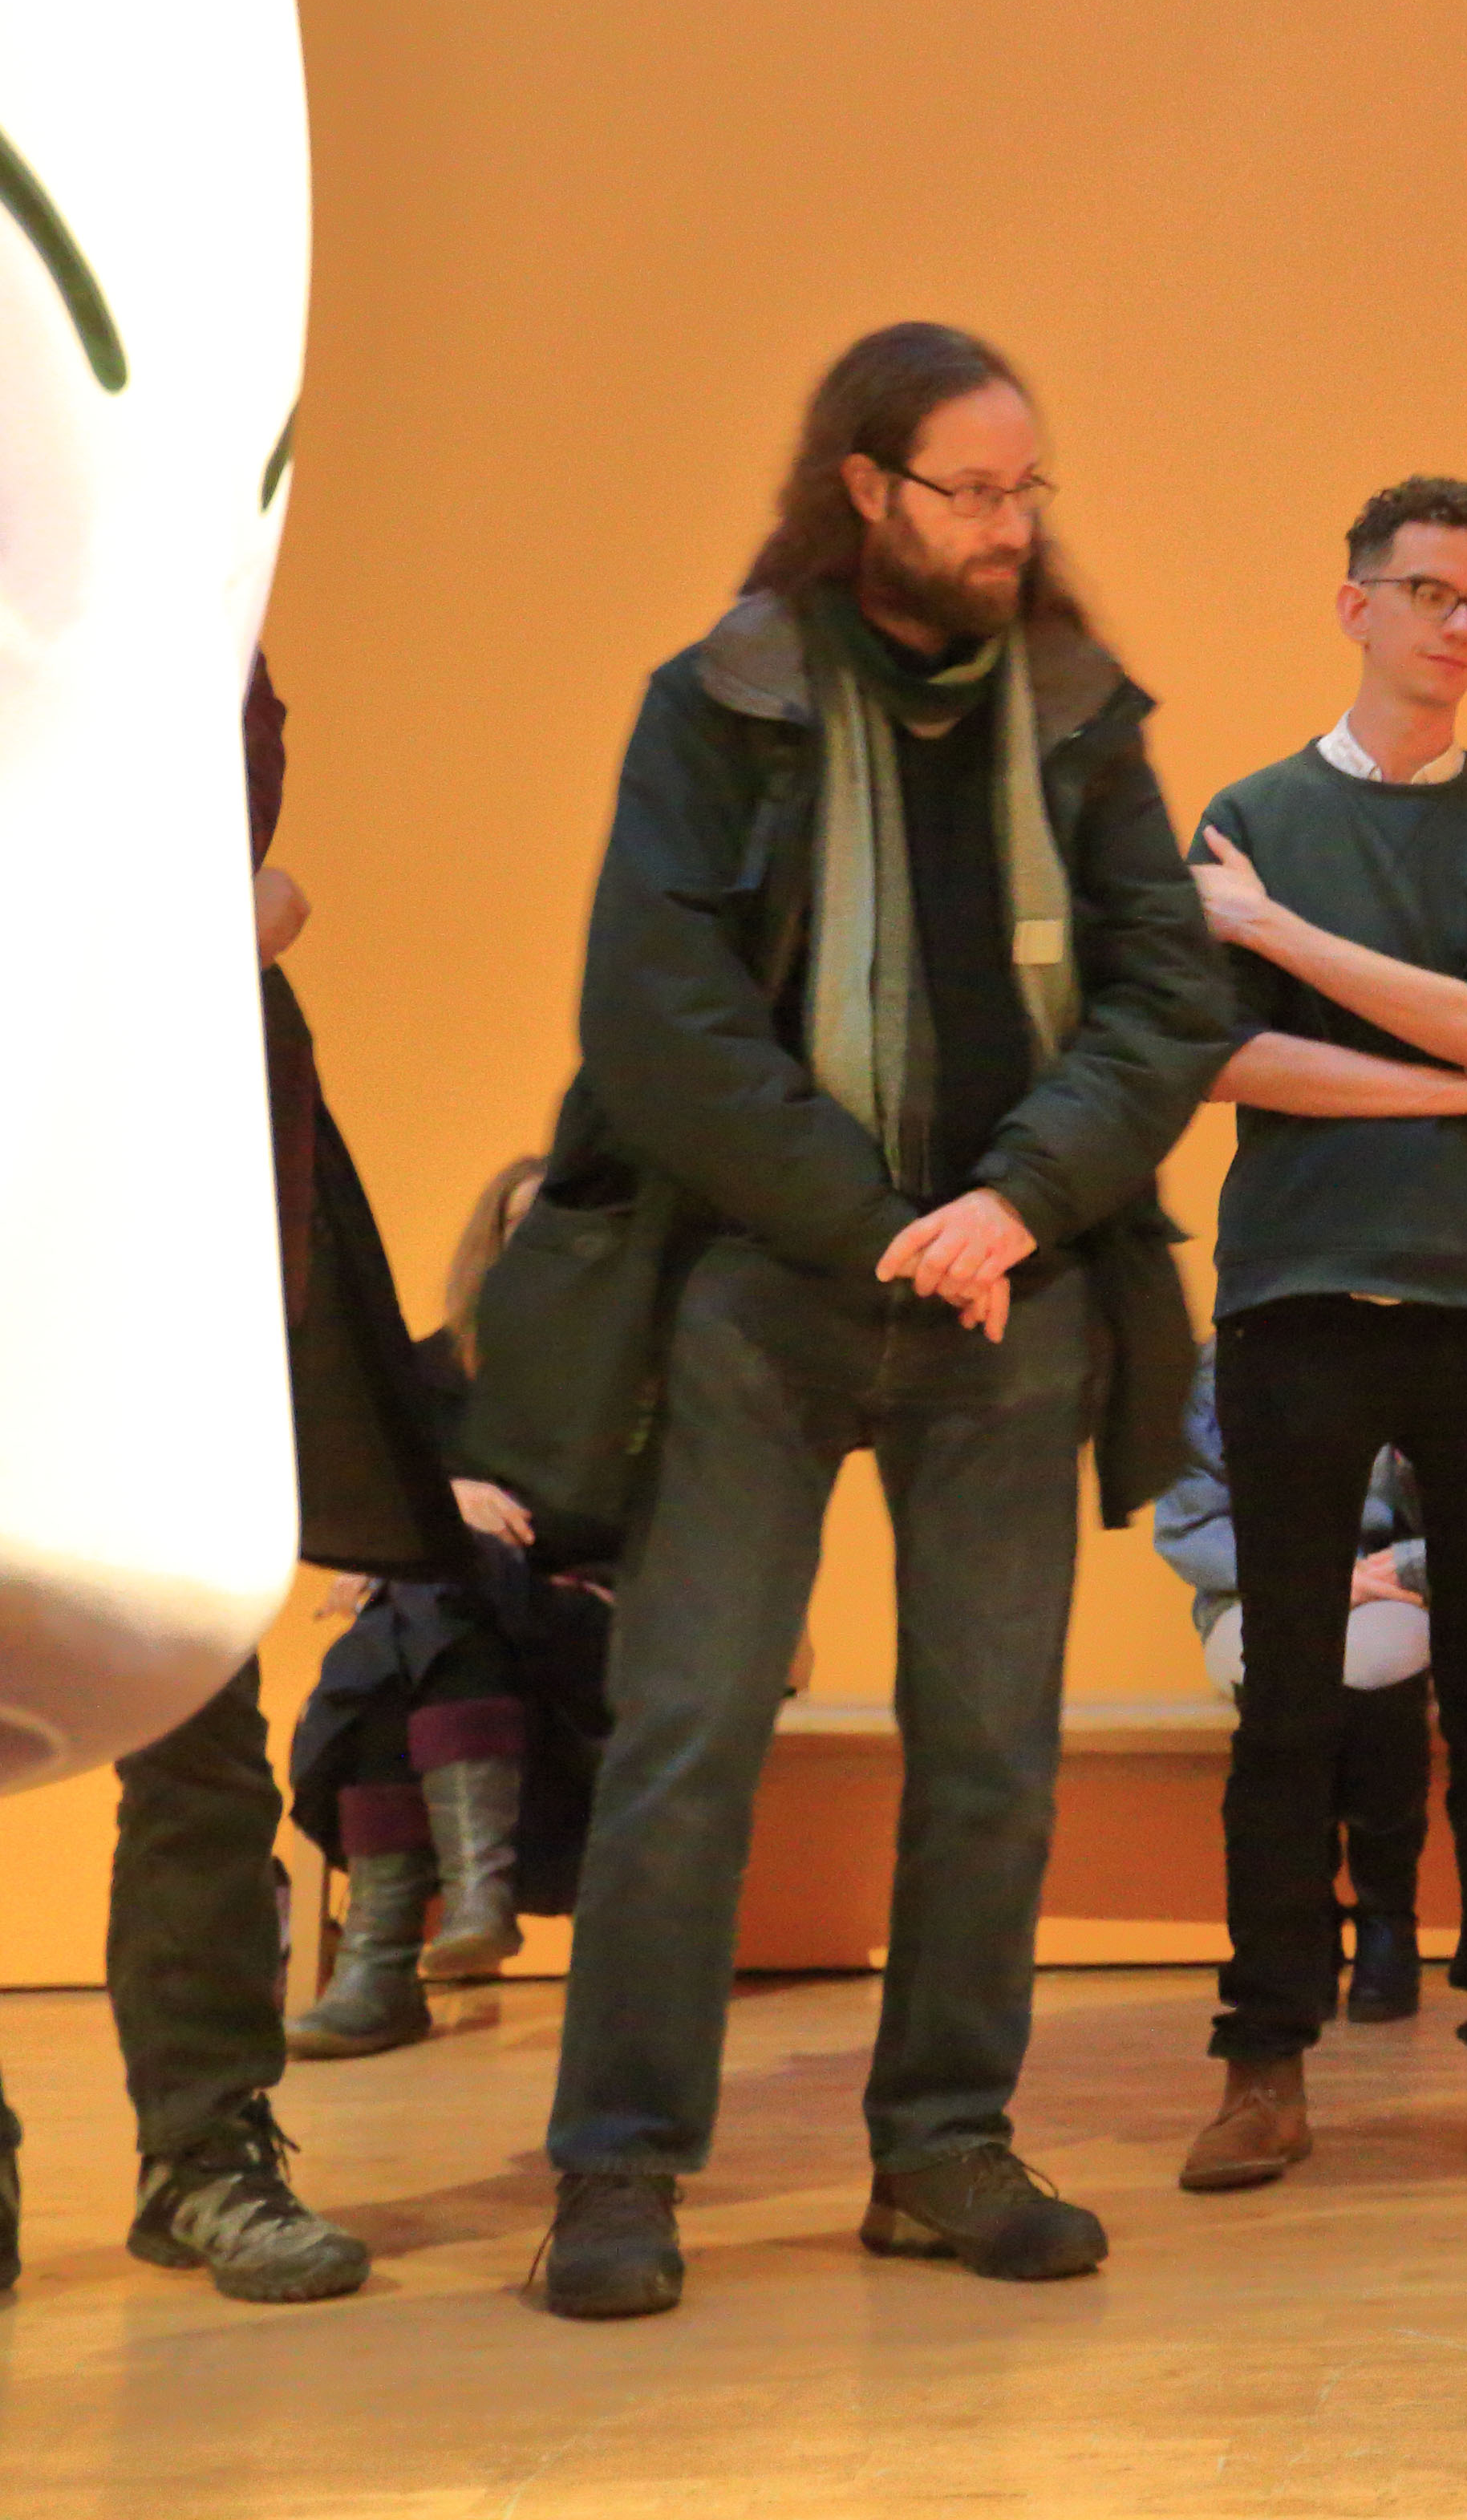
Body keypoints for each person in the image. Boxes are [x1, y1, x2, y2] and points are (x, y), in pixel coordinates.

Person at [511, 324, 1234, 2324]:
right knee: (687, 1737)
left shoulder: (1078, 712)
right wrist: (880, 1222)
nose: (1008, 526)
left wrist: (1012, 1204)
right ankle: (617, 2165)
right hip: (761, 1289)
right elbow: (656, 1021)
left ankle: (941, 2150)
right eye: (970, 491)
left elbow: (1171, 997)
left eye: (1026, 490)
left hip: (1017, 1293)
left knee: (991, 1750)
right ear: (867, 488)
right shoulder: (720, 703)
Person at [0, 658, 468, 2307]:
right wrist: (199, 930)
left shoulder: (159, 584)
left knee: (193, 1725)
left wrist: (206, 925)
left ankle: (204, 2154)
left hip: (162, 1220)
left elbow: (242, 820)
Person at [1174, 473, 1467, 2195]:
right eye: (1431, 592)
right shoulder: (1248, 813)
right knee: (1285, 1699)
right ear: (1355, 604)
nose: (1460, 626)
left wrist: (1281, 937)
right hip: (1298, 1304)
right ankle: (1262, 2064)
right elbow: (1227, 1060)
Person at [1149, 1335, 1467, 2052]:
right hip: (1259, 1592)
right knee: (1289, 1669)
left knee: (1380, 1661)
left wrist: (1403, 1566)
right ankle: (1309, 1926)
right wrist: (1313, 1576)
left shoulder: (1441, 1348)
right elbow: (1189, 1528)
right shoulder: (1228, 1359)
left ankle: (1386, 1916)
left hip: (1399, 1589)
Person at [286, 1155, 620, 2057]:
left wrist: (439, 1529)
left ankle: (382, 1967)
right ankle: (470, 1898)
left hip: (590, 1616)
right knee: (414, 1618)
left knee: (408, 1611)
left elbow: (615, 1523)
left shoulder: (634, 1372)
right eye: (519, 1227)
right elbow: (376, 1504)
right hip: (468, 1624)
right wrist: (440, 1505)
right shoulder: (430, 1371)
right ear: (492, 1245)